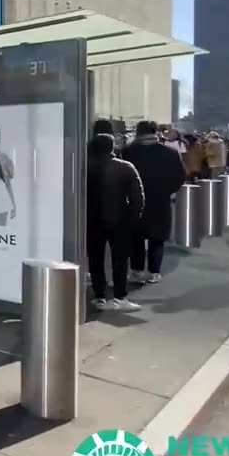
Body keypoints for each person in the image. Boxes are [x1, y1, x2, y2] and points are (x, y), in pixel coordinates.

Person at [121, 120, 187, 285]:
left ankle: (137, 271)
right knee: (157, 238)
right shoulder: (170, 152)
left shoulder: (128, 151)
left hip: (135, 199)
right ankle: (154, 272)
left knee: (136, 237)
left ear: (138, 132)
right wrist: (168, 191)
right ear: (156, 132)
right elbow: (180, 177)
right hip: (160, 200)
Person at [86, 134, 145, 312]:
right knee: (120, 259)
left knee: (95, 258)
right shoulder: (125, 167)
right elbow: (138, 197)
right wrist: (133, 218)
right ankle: (120, 297)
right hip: (119, 220)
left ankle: (99, 297)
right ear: (112, 147)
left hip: (91, 219)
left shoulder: (84, 167)